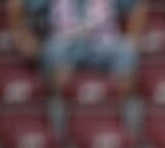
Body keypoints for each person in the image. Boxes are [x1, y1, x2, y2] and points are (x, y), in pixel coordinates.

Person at [8, 0, 146, 95]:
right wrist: (22, 37)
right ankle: (61, 109)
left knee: (126, 51)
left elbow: (138, 5)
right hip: (64, 41)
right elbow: (16, 4)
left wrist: (134, 37)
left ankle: (117, 111)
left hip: (103, 42)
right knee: (54, 51)